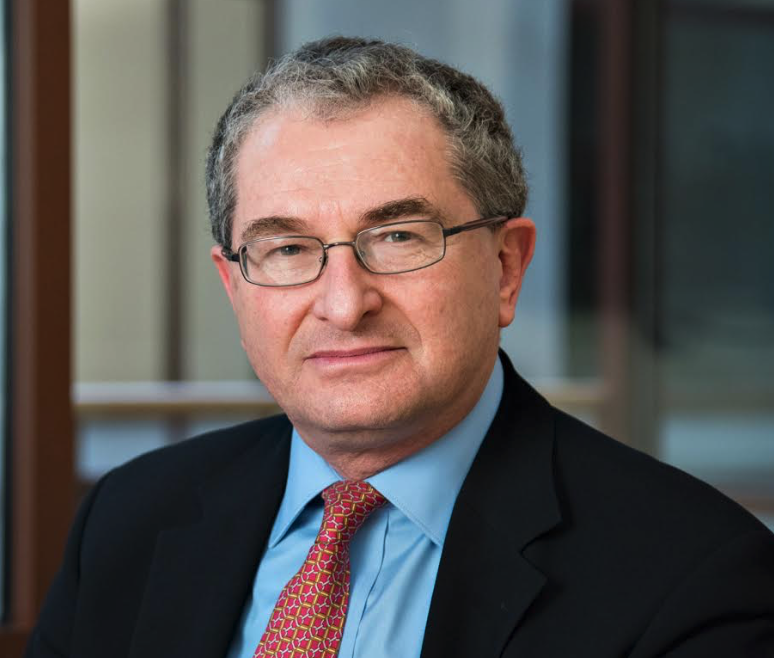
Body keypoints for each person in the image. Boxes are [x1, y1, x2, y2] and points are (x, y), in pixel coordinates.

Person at [26, 36, 774, 658]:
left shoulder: (694, 578)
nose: (344, 304)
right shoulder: (128, 520)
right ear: (234, 285)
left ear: (506, 268)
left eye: (398, 238)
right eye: (287, 249)